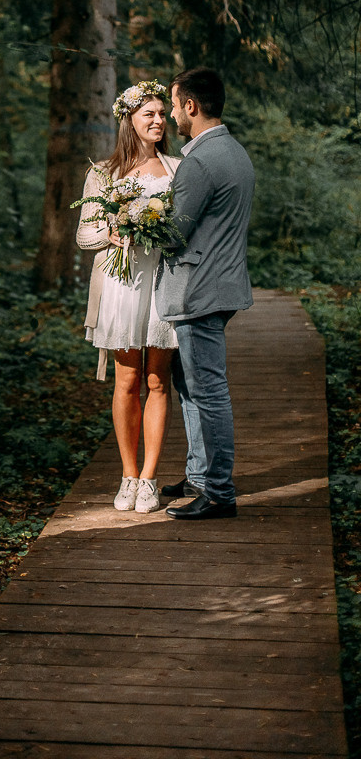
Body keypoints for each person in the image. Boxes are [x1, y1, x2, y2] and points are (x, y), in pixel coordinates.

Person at [155, 67, 255, 521]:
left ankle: (218, 492)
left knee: (207, 391)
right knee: (191, 386)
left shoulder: (198, 161)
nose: (173, 114)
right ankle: (199, 474)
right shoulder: (234, 152)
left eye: (174, 105)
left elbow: (175, 233)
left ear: (191, 106)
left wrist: (139, 218)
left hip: (199, 291)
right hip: (223, 283)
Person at [76, 80, 181, 514]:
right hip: (121, 285)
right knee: (127, 381)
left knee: (158, 380)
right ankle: (127, 475)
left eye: (162, 113)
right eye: (149, 115)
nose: (159, 121)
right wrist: (112, 230)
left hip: (164, 283)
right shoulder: (103, 173)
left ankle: (151, 480)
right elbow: (83, 236)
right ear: (129, 121)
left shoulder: (178, 169)